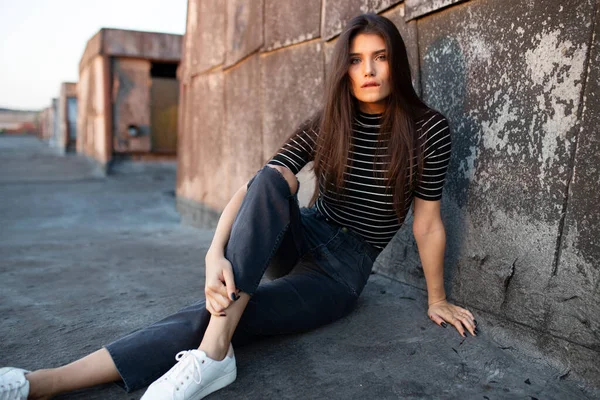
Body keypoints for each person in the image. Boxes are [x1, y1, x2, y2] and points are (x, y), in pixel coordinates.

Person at [0, 13, 477, 400]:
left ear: (397, 63)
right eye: (355, 60)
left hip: (339, 274)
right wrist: (214, 254)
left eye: (380, 58)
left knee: (217, 316)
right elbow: (258, 188)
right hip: (302, 235)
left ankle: (44, 383)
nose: (368, 71)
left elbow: (428, 222)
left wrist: (436, 298)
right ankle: (213, 356)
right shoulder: (331, 120)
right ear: (343, 69)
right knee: (272, 176)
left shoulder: (426, 129)